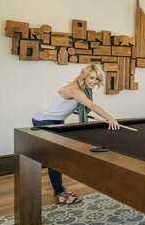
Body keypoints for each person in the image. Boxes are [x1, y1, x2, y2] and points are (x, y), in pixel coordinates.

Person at [32, 64, 120, 205]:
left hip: (56, 120)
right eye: (91, 77)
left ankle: (59, 191)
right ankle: (60, 193)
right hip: (44, 121)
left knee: (58, 156)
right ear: (84, 76)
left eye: (97, 79)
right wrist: (110, 118)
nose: (94, 81)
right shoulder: (75, 89)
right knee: (55, 157)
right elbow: (92, 106)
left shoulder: (81, 88)